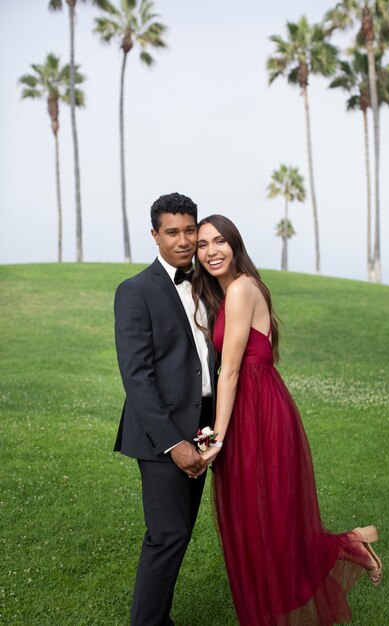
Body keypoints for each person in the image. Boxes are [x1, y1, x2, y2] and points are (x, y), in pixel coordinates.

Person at [192, 214, 383, 626]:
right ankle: (349, 545)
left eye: (220, 241)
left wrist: (215, 440)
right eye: (203, 244)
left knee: (270, 519)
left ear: (235, 244)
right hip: (248, 407)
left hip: (259, 410)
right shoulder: (227, 294)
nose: (211, 251)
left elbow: (230, 370)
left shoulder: (241, 289)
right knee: (254, 520)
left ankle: (347, 546)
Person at [114, 193, 216, 626]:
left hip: (202, 428)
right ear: (154, 235)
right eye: (172, 231)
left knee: (178, 534)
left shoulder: (209, 285)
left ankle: (159, 618)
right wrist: (174, 443)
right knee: (167, 535)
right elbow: (137, 377)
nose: (183, 239)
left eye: (190, 230)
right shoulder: (135, 291)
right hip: (161, 435)